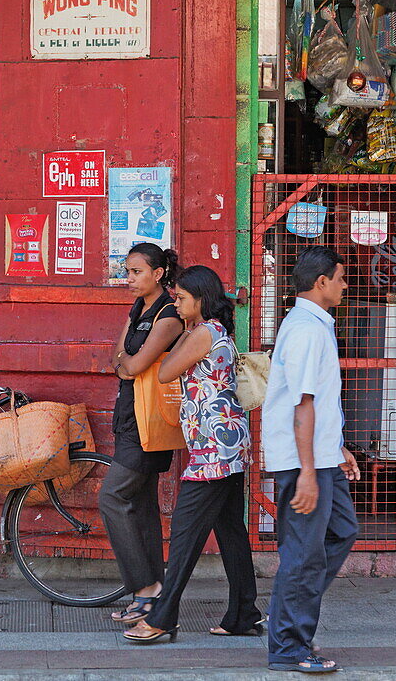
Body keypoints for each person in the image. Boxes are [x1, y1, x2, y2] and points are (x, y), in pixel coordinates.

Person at [124, 265, 263, 644]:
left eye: (182, 299)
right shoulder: (214, 331)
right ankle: (243, 613)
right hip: (228, 443)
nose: (176, 304)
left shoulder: (203, 333)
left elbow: (167, 371)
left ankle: (163, 616)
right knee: (232, 531)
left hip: (214, 451)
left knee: (185, 534)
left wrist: (177, 335)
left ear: (201, 299)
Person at [262, 246, 360, 674]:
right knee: (302, 554)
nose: (344, 284)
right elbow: (301, 404)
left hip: (321, 456)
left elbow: (318, 402)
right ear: (320, 282)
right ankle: (288, 645)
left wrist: (336, 446)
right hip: (305, 463)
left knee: (341, 531)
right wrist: (306, 472)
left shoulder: (315, 325)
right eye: (340, 277)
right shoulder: (305, 329)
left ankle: (289, 611)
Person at [100, 243, 184, 626]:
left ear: (159, 273)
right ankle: (155, 590)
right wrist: (124, 364)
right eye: (127, 271)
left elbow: (133, 364)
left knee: (112, 497)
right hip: (129, 415)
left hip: (150, 419)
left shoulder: (168, 315)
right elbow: (117, 357)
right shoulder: (138, 310)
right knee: (144, 504)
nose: (129, 278)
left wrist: (125, 364)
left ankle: (144, 587)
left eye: (136, 272)